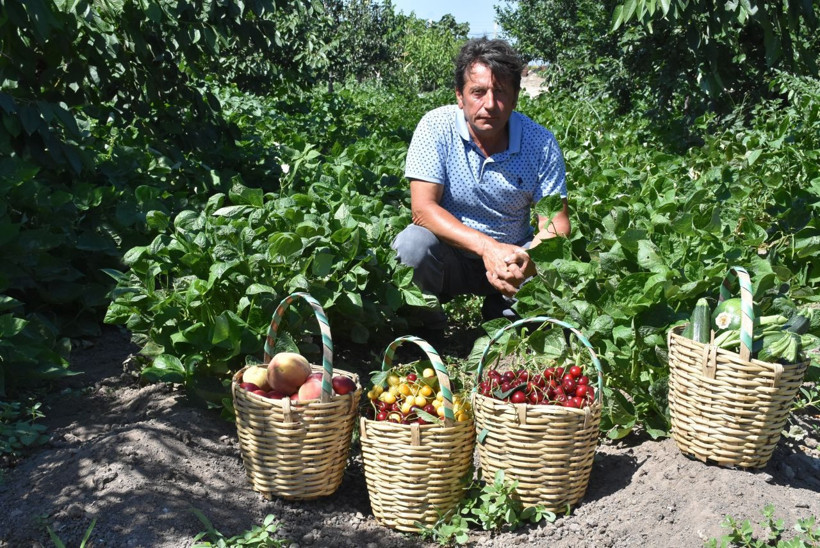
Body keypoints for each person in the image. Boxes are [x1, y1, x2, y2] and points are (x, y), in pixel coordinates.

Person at [391, 37, 570, 325]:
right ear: (460, 97)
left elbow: (557, 224)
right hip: (451, 256)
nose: (490, 104)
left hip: (513, 260)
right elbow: (422, 209)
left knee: (558, 268)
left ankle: (503, 314)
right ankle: (425, 326)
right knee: (412, 244)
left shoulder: (540, 143)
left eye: (500, 92)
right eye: (478, 92)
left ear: (515, 98)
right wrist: (487, 248)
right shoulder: (436, 127)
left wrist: (527, 261)